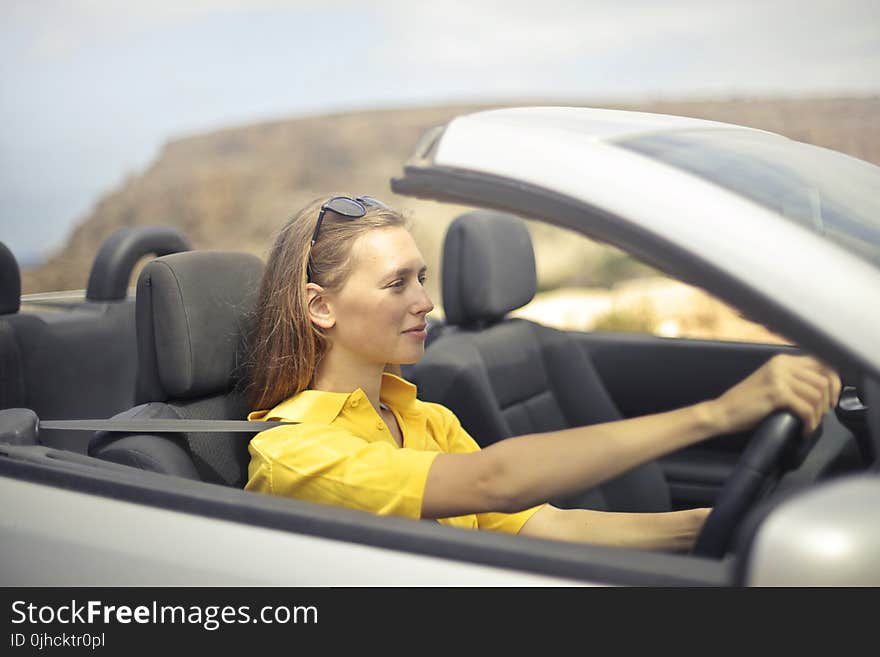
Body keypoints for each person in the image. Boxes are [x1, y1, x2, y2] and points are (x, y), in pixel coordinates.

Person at [244, 194, 841, 552]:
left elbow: (546, 527)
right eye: (397, 283)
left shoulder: (425, 419)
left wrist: (719, 526)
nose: (425, 302)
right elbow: (492, 482)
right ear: (320, 306)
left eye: (421, 278)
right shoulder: (295, 451)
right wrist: (716, 415)